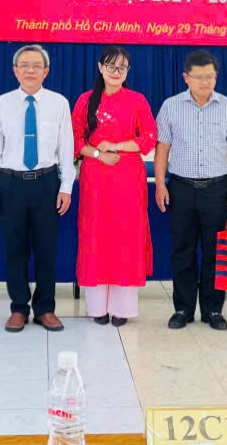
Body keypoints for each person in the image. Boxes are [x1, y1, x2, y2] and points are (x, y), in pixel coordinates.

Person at [0, 45, 75, 332]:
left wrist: (66, 187)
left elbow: (67, 148)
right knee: (15, 249)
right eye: (24, 65)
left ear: (46, 71)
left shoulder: (59, 103)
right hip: (10, 184)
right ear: (15, 71)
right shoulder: (2, 104)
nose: (30, 70)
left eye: (36, 65)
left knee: (47, 249)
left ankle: (45, 308)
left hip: (47, 183)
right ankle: (19, 308)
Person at [154, 50, 227, 331]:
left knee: (214, 251)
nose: (205, 82)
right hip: (181, 188)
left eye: (210, 77)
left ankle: (213, 310)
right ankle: (183, 309)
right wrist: (160, 184)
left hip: (216, 189)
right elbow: (162, 148)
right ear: (186, 78)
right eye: (199, 77)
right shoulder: (171, 106)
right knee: (182, 251)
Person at [71, 46, 157, 327]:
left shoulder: (137, 100)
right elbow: (75, 140)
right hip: (95, 178)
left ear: (128, 71)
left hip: (128, 178)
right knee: (95, 235)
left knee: (126, 236)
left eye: (122, 67)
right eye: (111, 66)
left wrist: (117, 146)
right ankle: (97, 307)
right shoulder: (85, 101)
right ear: (100, 68)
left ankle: (122, 308)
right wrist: (98, 153)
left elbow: (149, 138)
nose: (116, 72)